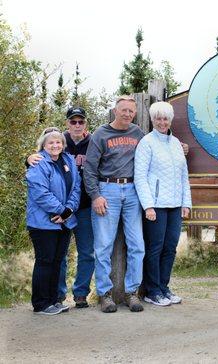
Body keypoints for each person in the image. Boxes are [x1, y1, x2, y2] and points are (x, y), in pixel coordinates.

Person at [27, 107, 95, 309]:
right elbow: (40, 188)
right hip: (51, 216)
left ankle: (77, 295)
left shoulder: (88, 145)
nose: (76, 125)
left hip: (78, 210)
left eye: (80, 121)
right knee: (52, 259)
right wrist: (28, 159)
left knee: (78, 255)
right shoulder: (47, 153)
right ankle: (52, 298)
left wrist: (68, 210)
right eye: (73, 121)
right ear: (67, 123)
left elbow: (76, 184)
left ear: (85, 123)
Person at [84, 95, 145, 313]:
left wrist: (180, 145)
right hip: (106, 190)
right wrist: (95, 195)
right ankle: (105, 294)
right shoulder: (101, 134)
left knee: (137, 244)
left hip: (132, 191)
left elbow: (155, 150)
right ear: (115, 111)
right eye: (123, 110)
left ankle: (132, 292)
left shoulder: (138, 133)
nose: (127, 114)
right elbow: (89, 168)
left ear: (135, 113)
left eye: (131, 111)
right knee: (103, 245)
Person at [134, 102, 192, 306]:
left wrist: (186, 203)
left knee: (170, 248)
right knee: (155, 248)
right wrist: (148, 206)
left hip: (175, 205)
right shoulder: (146, 143)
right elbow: (140, 177)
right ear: (152, 120)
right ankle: (152, 290)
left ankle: (164, 288)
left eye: (165, 118)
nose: (162, 122)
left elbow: (184, 175)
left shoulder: (176, 143)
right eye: (158, 118)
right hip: (156, 206)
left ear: (170, 120)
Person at [26, 127, 81, 315]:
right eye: (51, 142)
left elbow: (76, 187)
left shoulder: (68, 160)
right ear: (44, 144)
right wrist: (61, 210)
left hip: (64, 221)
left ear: (63, 144)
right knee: (45, 261)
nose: (55, 145)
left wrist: (68, 211)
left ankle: (54, 300)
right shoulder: (38, 163)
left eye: (58, 142)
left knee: (58, 261)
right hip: (43, 222)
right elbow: (40, 193)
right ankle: (41, 304)